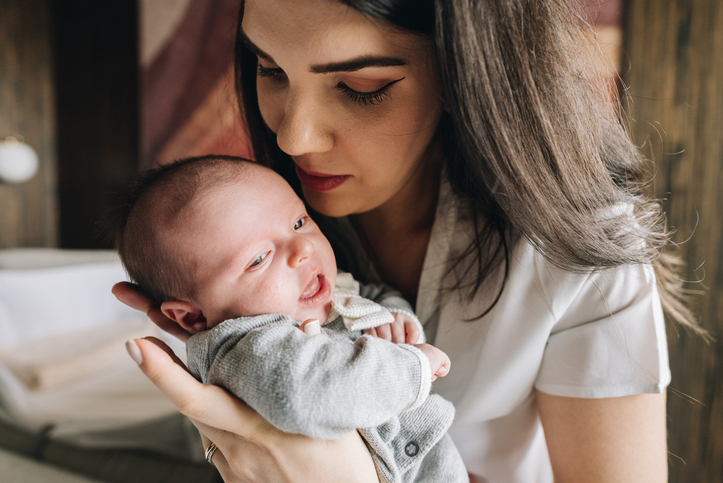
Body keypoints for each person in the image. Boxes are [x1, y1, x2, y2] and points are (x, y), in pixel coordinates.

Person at [116, 0, 697, 481]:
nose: (293, 137)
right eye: (270, 70)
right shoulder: (233, 223)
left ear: (464, 74)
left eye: (360, 86)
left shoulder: (580, 249)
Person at [115, 155, 468, 482]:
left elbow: (362, 295)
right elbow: (322, 393)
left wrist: (392, 314)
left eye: (299, 222)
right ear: (191, 317)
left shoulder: (309, 293)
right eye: (259, 259)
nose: (303, 249)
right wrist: (413, 366)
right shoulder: (250, 348)